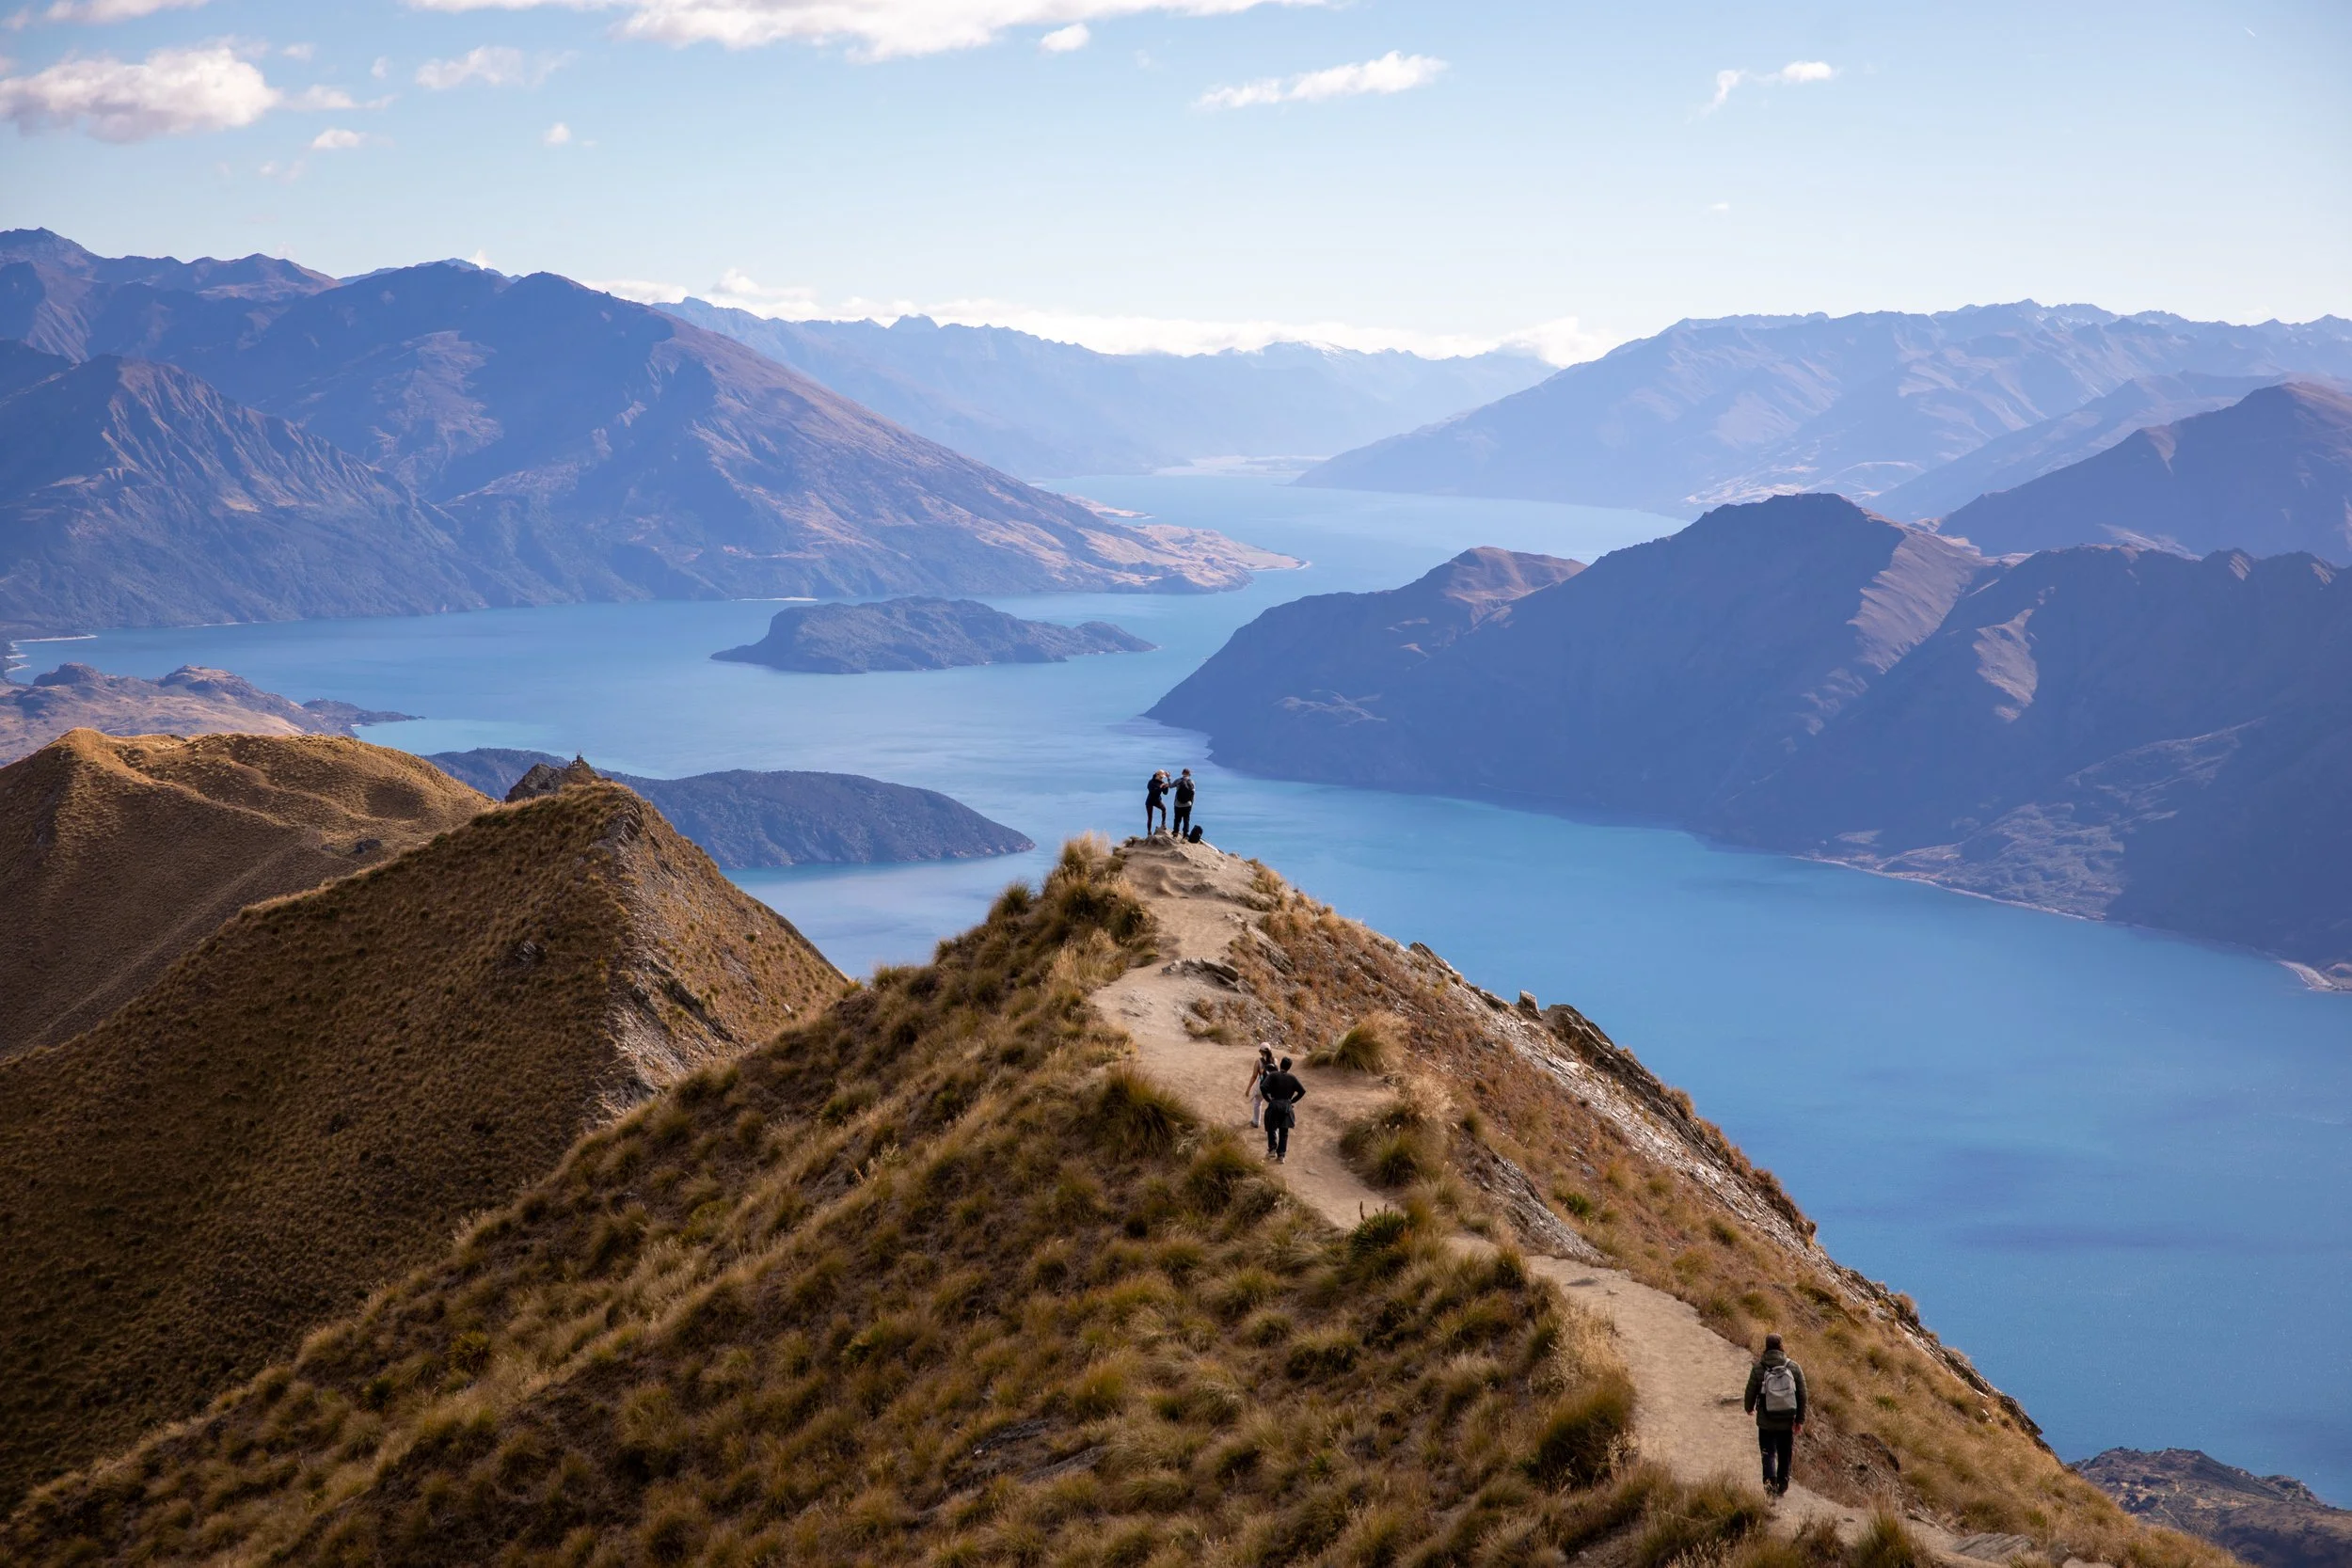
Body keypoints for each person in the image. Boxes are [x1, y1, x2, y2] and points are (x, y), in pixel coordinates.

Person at [1742, 1332, 1807, 1498]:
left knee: (1768, 1453)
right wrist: (1799, 1419)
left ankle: (1770, 1486)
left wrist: (1748, 1408)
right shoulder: (1793, 1367)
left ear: (1766, 1346)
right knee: (1785, 1453)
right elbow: (1802, 1395)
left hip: (1766, 1421)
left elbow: (1750, 1392)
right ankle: (1783, 1485)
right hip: (1787, 1421)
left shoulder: (1759, 1368)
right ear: (1781, 1346)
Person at [1260, 1055, 1306, 1163]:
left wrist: (1269, 1099)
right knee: (1284, 1131)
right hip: (1286, 1106)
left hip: (1275, 1104)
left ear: (1280, 1065)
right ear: (1289, 1067)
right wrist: (1292, 1101)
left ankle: (1272, 1150)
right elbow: (1302, 1091)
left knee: (1272, 1128)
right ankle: (1281, 1156)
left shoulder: (1273, 1075)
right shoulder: (1292, 1078)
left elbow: (1263, 1087)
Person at [1245, 1045, 1274, 1128]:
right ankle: (1272, 1125)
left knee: (1257, 1103)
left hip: (1262, 1086)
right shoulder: (1275, 1060)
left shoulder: (1258, 1061)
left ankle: (1256, 1122)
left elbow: (1254, 1076)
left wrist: (1248, 1089)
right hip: (1272, 1087)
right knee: (1272, 1105)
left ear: (1261, 1051)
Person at [1171, 768, 1197, 840]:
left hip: (1177, 804)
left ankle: (1175, 834)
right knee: (1186, 819)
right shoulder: (1192, 782)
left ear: (1182, 773)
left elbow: (1170, 786)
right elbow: (1193, 794)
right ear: (1189, 774)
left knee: (1177, 819)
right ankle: (1185, 836)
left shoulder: (1178, 780)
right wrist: (1191, 804)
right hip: (1188, 804)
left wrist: (1169, 778)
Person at [1145, 770, 1169, 836]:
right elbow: (1152, 792)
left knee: (1164, 809)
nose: (1162, 779)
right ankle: (1149, 832)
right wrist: (1160, 788)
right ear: (1157, 775)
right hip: (1150, 801)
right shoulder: (1151, 782)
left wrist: (1166, 787)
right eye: (1161, 777)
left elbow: (1165, 793)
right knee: (1150, 817)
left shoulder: (1162, 782)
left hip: (1157, 801)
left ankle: (1163, 824)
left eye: (1162, 777)